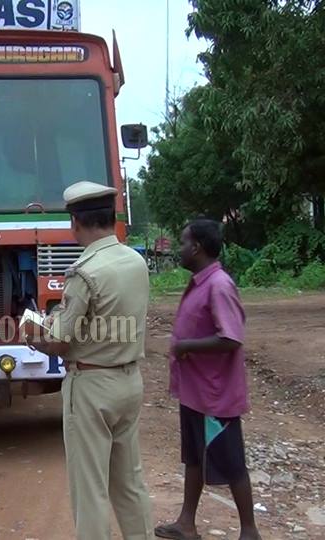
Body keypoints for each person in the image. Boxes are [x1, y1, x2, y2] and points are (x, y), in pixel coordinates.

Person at [24, 181, 154, 539]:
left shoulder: (83, 272)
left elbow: (59, 341)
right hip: (129, 381)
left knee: (90, 489)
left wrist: (33, 337)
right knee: (130, 482)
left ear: (75, 222)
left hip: (92, 389)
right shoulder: (135, 262)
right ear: (111, 218)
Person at [154, 219, 261, 540]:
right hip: (195, 392)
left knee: (231, 463)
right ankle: (186, 523)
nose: (179, 248)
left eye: (183, 242)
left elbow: (231, 338)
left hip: (216, 396)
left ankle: (249, 531)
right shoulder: (201, 282)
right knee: (194, 458)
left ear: (197, 247)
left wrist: (186, 346)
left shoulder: (219, 285)